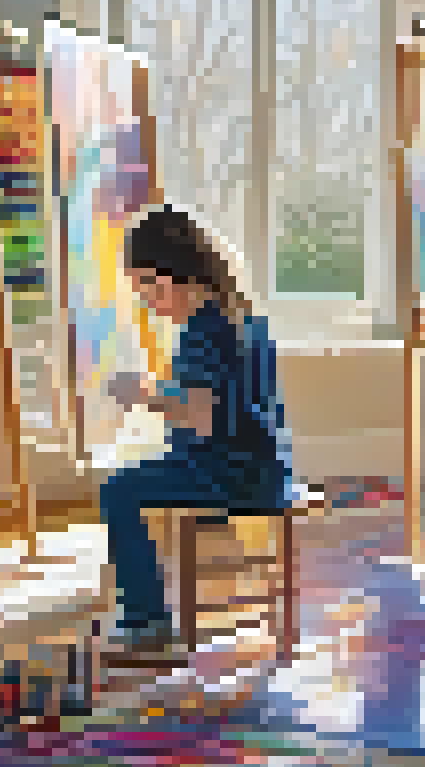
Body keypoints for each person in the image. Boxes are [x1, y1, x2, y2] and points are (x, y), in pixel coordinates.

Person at [100, 203, 298, 648]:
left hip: (232, 477)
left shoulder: (205, 330)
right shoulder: (241, 318)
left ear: (179, 274)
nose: (147, 302)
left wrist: (143, 393)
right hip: (265, 471)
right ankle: (148, 606)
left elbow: (202, 415)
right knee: (147, 472)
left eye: (150, 287)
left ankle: (145, 621)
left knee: (118, 489)